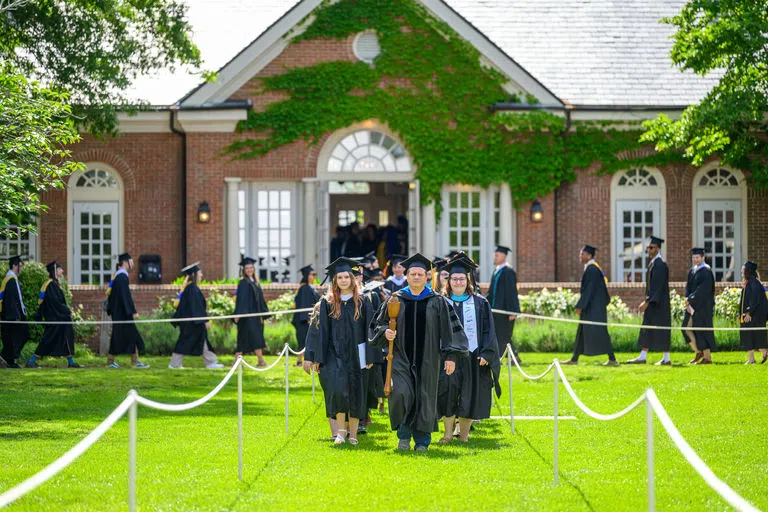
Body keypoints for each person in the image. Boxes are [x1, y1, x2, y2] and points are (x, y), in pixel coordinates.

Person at [370, 253, 469, 452]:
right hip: (400, 358)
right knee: (402, 394)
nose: (416, 277)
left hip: (429, 359)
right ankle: (404, 437)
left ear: (427, 277)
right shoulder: (395, 299)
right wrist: (385, 333)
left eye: (420, 274)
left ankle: (422, 441)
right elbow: (376, 326)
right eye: (413, 274)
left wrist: (450, 357)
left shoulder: (437, 301)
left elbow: (451, 331)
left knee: (425, 397)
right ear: (406, 276)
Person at [303, 257, 374, 446]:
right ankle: (340, 433)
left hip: (357, 353)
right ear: (335, 281)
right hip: (333, 354)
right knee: (337, 390)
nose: (343, 280)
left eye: (346, 277)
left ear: (352, 279)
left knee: (356, 392)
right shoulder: (327, 302)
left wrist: (370, 355)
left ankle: (353, 434)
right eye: (339, 277)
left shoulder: (363, 301)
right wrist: (313, 357)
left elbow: (370, 329)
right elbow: (318, 332)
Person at [437, 257, 501, 443]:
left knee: (469, 396)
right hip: (447, 357)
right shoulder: (441, 302)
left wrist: (487, 353)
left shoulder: (480, 303)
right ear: (449, 281)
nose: (458, 282)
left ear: (468, 281)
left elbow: (489, 330)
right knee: (447, 395)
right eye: (455, 279)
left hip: (473, 358)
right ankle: (448, 434)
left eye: (462, 279)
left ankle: (464, 435)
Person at [563, 245, 618, 366]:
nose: (580, 256)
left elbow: (589, 290)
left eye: (582, 254)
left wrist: (580, 306)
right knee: (582, 331)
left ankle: (613, 359)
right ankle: (574, 359)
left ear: (589, 256)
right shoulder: (590, 268)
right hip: (592, 307)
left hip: (594, 308)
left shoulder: (592, 269)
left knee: (602, 332)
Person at [169, 263, 224, 369]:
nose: (201, 275)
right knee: (184, 342)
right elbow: (197, 306)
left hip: (193, 322)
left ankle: (210, 362)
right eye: (199, 273)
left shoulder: (191, 288)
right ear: (194, 274)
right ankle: (174, 364)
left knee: (202, 340)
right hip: (191, 323)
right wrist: (205, 320)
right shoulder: (192, 289)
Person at [26, 261, 81, 368]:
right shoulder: (50, 285)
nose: (62, 271)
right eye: (60, 269)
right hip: (55, 318)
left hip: (60, 318)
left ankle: (71, 361)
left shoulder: (54, 284)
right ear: (55, 271)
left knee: (65, 337)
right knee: (47, 340)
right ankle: (32, 360)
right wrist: (67, 311)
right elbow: (56, 302)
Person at [626, 236, 672, 365]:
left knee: (662, 330)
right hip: (653, 303)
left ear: (657, 249)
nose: (649, 250)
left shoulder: (660, 265)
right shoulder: (653, 263)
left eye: (651, 248)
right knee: (647, 328)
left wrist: (647, 302)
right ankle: (642, 356)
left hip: (659, 304)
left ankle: (666, 359)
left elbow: (657, 287)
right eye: (648, 247)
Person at [105, 253, 148, 369]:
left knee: (128, 336)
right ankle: (130, 362)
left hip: (119, 313)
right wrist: (133, 311)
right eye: (131, 261)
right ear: (125, 262)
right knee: (124, 336)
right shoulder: (122, 277)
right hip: (123, 314)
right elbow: (126, 296)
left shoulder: (118, 276)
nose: (133, 263)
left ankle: (132, 361)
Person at [486, 246, 521, 362]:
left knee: (504, 335)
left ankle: (509, 357)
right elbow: (491, 292)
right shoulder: (496, 271)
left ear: (504, 256)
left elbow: (512, 292)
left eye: (497, 255)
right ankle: (513, 357)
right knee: (501, 335)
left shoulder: (508, 271)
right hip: (496, 310)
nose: (494, 257)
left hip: (506, 311)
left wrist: (512, 311)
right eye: (494, 255)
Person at [233, 256, 269, 367]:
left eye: (251, 267)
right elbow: (241, 300)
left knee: (256, 338)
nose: (249, 270)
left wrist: (264, 314)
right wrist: (238, 313)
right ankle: (237, 361)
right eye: (247, 268)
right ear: (244, 270)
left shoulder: (255, 282)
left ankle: (260, 360)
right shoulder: (243, 282)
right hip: (247, 317)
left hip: (256, 316)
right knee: (244, 338)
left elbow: (260, 299)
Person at [685, 248, 716, 365]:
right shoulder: (693, 270)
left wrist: (690, 299)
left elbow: (703, 290)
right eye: (693, 257)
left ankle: (707, 358)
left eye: (697, 257)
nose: (695, 259)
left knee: (703, 330)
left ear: (703, 258)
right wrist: (687, 299)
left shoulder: (706, 271)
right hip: (694, 305)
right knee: (687, 328)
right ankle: (699, 352)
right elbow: (688, 287)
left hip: (704, 306)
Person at [0, 255, 29, 368]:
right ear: (14, 266)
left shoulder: (12, 279)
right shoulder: (10, 280)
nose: (21, 268)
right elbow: (11, 300)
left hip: (12, 315)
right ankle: (10, 360)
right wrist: (15, 316)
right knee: (19, 335)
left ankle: (8, 359)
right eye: (20, 265)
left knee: (12, 337)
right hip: (11, 316)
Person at [739, 261, 767, 364]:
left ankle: (764, 352)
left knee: (756, 338)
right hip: (747, 315)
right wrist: (741, 313)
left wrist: (748, 312)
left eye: (743, 269)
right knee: (747, 337)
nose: (742, 270)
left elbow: (754, 300)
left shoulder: (754, 282)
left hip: (754, 316)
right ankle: (751, 359)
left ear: (748, 271)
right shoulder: (748, 282)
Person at [292, 265, 319, 367]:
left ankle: (308, 360)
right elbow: (304, 304)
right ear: (307, 276)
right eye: (312, 274)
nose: (314, 276)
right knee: (303, 340)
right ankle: (299, 361)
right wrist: (308, 318)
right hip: (304, 320)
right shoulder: (304, 288)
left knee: (307, 340)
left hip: (310, 319)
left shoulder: (310, 288)